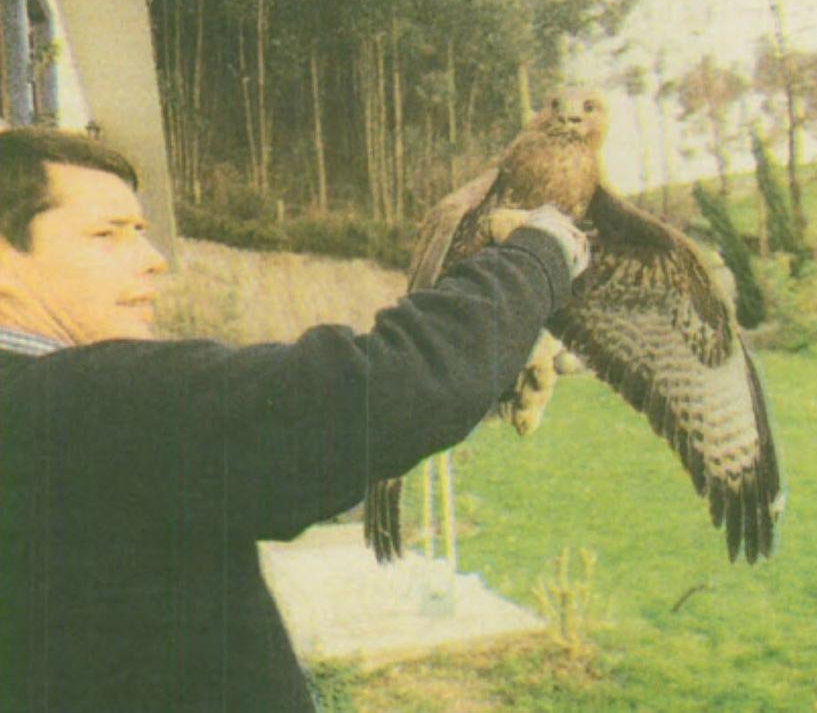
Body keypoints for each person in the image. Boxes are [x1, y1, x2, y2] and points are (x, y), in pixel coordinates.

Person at [0, 127, 589, 711]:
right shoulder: (73, 402)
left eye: (141, 234)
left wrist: (484, 384)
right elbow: (386, 390)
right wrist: (545, 249)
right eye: (108, 235)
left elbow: (268, 446)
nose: (154, 262)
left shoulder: (59, 414)